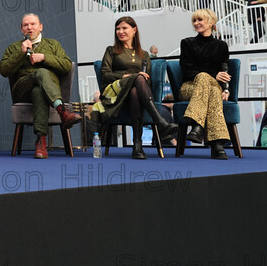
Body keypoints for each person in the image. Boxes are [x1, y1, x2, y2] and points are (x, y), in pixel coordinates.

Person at [91, 16, 177, 159]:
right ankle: (159, 121)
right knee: (137, 78)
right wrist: (128, 76)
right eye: (118, 28)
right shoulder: (111, 50)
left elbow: (147, 79)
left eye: (124, 28)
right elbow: (106, 75)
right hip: (115, 92)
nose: (120, 31)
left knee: (136, 90)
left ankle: (137, 145)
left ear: (134, 30)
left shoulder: (144, 54)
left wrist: (135, 78)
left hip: (137, 93)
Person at [0, 13, 82, 159]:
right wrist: (21, 52)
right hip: (22, 89)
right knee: (41, 73)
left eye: (33, 24)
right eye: (26, 25)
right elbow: (4, 70)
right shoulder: (14, 47)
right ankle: (62, 110)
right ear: (21, 29)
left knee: (39, 91)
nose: (29, 27)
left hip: (46, 91)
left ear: (41, 27)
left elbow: (67, 65)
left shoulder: (53, 44)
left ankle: (41, 142)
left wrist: (44, 57)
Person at [177, 8, 232, 160]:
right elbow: (188, 70)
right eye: (194, 20)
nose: (196, 23)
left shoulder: (221, 45)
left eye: (200, 20)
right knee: (202, 77)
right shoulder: (187, 43)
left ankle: (197, 128)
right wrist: (213, 75)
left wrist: (226, 90)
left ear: (211, 23)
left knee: (214, 92)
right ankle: (217, 145)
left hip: (214, 86)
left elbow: (225, 70)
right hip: (190, 87)